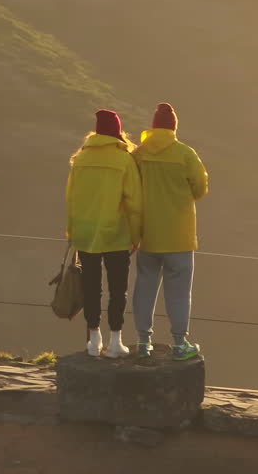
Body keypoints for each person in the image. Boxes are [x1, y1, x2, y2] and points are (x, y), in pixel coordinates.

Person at [131, 103, 208, 361]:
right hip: (179, 235)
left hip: (148, 234)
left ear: (153, 127)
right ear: (174, 127)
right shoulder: (185, 154)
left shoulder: (139, 154)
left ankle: (143, 341)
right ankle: (179, 343)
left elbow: (130, 186)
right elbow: (200, 187)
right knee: (179, 291)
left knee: (144, 287)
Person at [66, 109, 143, 358]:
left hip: (86, 231)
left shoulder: (81, 159)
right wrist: (136, 235)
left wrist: (72, 230)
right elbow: (134, 203)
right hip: (116, 232)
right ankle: (115, 342)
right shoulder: (124, 160)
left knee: (91, 287)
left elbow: (71, 198)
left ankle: (93, 340)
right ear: (117, 132)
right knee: (117, 289)